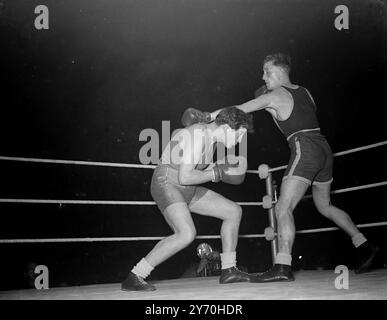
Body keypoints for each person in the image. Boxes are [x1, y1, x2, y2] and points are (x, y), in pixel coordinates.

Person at [187, 53, 379, 281]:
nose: (263, 76)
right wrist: (267, 102)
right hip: (323, 148)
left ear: (279, 71)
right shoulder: (305, 91)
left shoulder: (276, 95)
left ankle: (282, 266)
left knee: (282, 208)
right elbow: (293, 112)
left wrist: (208, 116)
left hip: (304, 147)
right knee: (325, 205)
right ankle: (364, 245)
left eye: (267, 72)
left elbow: (239, 109)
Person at [121, 106, 254, 291]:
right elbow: (185, 177)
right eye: (239, 134)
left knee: (233, 211)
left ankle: (229, 269)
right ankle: (136, 276)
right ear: (227, 128)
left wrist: (218, 167)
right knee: (186, 233)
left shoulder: (212, 137)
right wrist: (216, 172)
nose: (240, 140)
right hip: (167, 182)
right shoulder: (198, 135)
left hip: (187, 187)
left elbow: (195, 173)